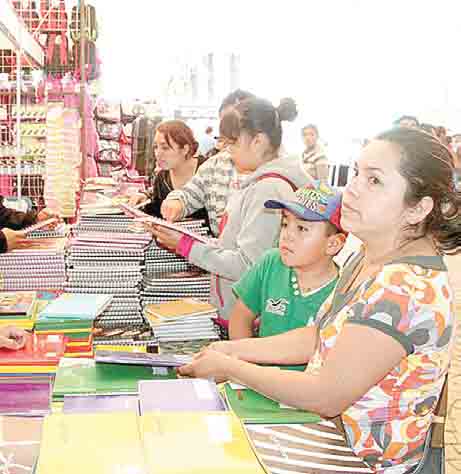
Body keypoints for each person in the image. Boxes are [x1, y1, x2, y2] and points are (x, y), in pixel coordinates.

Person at [179, 127, 460, 474]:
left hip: (366, 464)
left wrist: (232, 367)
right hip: (330, 440)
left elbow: (327, 394)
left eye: (374, 181)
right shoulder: (371, 258)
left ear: (418, 208)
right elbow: (320, 336)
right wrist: (232, 350)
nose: (353, 188)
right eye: (357, 173)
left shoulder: (406, 286)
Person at [152, 96, 312, 322]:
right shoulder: (264, 181)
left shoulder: (268, 189)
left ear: (258, 141)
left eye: (233, 143)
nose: (228, 151)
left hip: (248, 319)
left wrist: (186, 246)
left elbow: (247, 265)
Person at [229, 184, 345, 356]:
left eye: (301, 228)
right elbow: (241, 317)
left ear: (333, 244)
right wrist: (243, 362)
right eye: (285, 223)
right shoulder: (270, 263)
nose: (287, 235)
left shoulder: (343, 291)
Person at [161, 89, 256, 237]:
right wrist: (176, 202)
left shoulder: (275, 174)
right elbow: (191, 192)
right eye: (224, 125)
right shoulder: (216, 164)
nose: (227, 134)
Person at [128, 120, 208, 222]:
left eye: (165, 148)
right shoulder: (161, 178)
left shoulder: (207, 171)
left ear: (185, 149)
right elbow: (157, 215)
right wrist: (144, 203)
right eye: (156, 147)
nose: (158, 154)